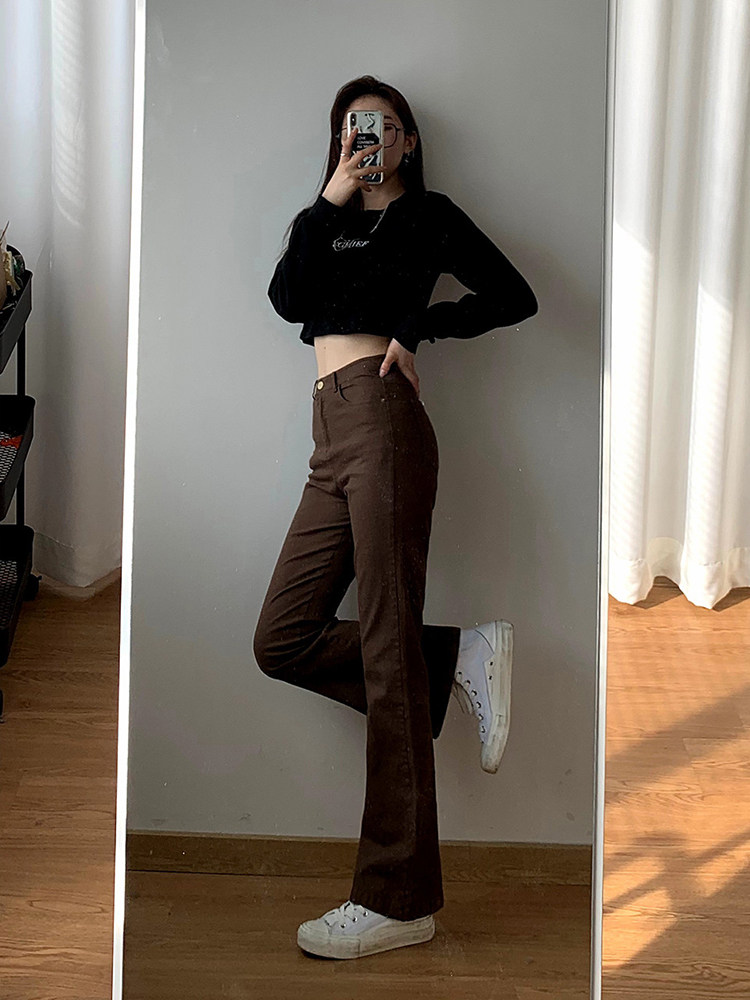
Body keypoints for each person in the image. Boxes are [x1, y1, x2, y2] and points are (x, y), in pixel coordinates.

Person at [253, 75, 538, 961]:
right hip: (329, 435)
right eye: (351, 129)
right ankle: (453, 654)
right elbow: (286, 300)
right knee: (282, 638)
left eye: (379, 126)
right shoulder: (325, 220)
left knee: (385, 652)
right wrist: (330, 194)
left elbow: (514, 295)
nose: (365, 138)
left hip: (383, 419)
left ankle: (397, 899)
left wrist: (420, 330)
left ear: (408, 139)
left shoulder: (431, 216)